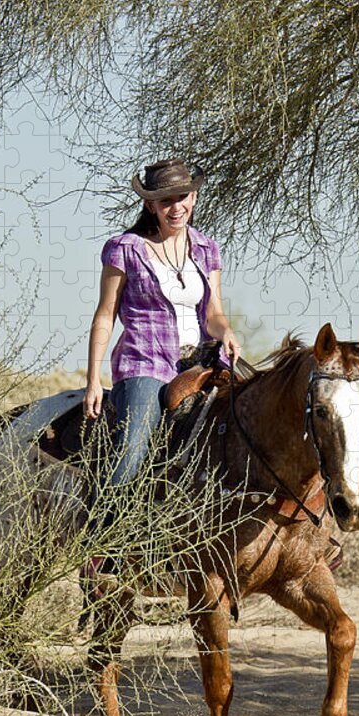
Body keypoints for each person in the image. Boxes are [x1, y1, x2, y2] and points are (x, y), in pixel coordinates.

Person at [83, 158, 241, 487]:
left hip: (202, 362)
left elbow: (214, 314)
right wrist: (94, 380)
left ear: (194, 198)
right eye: (165, 201)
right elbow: (105, 315)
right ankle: (103, 529)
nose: (175, 207)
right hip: (146, 364)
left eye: (182, 197)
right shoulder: (125, 249)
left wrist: (226, 332)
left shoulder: (206, 248)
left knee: (258, 415)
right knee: (130, 454)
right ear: (150, 204)